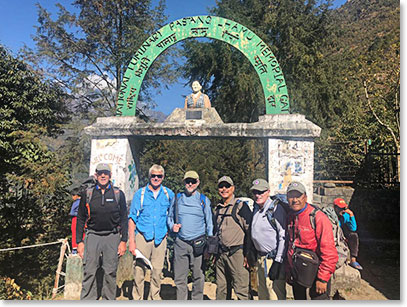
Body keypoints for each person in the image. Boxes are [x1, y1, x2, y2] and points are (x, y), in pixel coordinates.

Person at [76, 163, 128, 300]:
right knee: (89, 271)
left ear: (110, 176)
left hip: (112, 235)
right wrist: (79, 242)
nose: (103, 175)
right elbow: (80, 218)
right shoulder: (88, 193)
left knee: (110, 272)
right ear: (96, 175)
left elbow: (124, 218)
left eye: (106, 173)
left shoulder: (118, 194)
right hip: (93, 235)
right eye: (100, 173)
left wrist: (123, 241)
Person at [128, 164, 175, 300]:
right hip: (143, 237)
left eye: (159, 176)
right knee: (139, 271)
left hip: (160, 238)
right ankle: (137, 299)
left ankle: (154, 298)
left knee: (157, 271)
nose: (156, 178)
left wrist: (170, 229)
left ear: (163, 177)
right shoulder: (140, 194)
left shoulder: (168, 194)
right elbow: (132, 218)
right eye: (153, 175)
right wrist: (132, 241)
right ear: (149, 176)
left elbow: (172, 214)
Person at [286, 181, 338, 300]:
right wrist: (289, 270)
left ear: (305, 197)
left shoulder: (318, 217)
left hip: (317, 271)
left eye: (298, 196)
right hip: (297, 269)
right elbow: (290, 245)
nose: (295, 200)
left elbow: (329, 251)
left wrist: (322, 278)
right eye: (291, 196)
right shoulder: (291, 216)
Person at [167, 170, 213, 300]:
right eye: (188, 181)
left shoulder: (203, 200)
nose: (190, 184)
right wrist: (172, 226)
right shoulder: (177, 198)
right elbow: (169, 217)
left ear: (198, 182)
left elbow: (209, 223)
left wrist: (209, 244)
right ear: (184, 182)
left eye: (193, 181)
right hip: (180, 243)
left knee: (198, 276)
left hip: (198, 244)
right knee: (179, 278)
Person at [213, 176, 252, 300]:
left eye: (227, 186)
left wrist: (248, 254)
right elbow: (215, 232)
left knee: (241, 289)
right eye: (221, 186)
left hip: (237, 253)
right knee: (221, 289)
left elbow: (250, 231)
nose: (224, 189)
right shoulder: (217, 209)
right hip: (221, 254)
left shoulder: (240, 207)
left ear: (233, 188)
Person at [248, 179, 287, 300]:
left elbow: (283, 236)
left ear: (268, 192)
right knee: (263, 294)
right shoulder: (257, 208)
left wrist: (278, 261)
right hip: (261, 258)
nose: (257, 195)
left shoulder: (275, 209)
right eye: (255, 192)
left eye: (261, 192)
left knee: (274, 295)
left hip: (272, 259)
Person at [333, 198, 363, 270]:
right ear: (335, 207)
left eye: (344, 208)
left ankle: (353, 259)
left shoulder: (345, 215)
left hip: (342, 233)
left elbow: (353, 228)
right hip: (334, 233)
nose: (343, 210)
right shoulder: (331, 215)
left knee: (353, 235)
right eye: (340, 208)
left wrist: (351, 215)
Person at [69, 187, 82, 254]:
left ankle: (75, 249)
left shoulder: (76, 203)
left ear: (77, 195)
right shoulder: (84, 201)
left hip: (76, 219)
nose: (72, 197)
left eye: (73, 195)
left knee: (74, 233)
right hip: (83, 220)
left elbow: (71, 212)